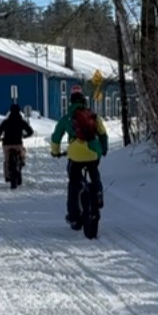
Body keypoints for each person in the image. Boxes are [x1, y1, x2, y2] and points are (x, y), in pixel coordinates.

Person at [50, 89, 109, 234]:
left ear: (70, 103)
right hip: (93, 152)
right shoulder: (93, 117)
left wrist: (56, 152)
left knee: (74, 184)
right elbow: (103, 134)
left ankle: (74, 217)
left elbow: (56, 137)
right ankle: (99, 193)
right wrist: (103, 149)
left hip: (75, 155)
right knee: (94, 172)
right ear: (84, 103)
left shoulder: (66, 119)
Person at [0, 102, 34, 185]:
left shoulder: (6, 122)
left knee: (7, 160)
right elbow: (30, 131)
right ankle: (21, 160)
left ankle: (7, 175)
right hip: (18, 144)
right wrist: (25, 136)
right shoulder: (21, 121)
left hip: (7, 144)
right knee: (22, 151)